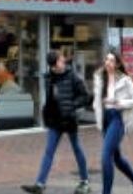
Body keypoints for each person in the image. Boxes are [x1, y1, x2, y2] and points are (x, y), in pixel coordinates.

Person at [22, 50, 91, 194]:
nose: (63, 62)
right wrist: (46, 113)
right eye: (60, 61)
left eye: (62, 60)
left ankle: (85, 181)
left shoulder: (73, 76)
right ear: (53, 66)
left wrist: (71, 106)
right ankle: (40, 184)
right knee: (49, 151)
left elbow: (85, 96)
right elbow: (51, 100)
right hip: (55, 121)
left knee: (77, 149)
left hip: (69, 119)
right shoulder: (49, 78)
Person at [92, 49, 133, 194]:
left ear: (116, 65)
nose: (108, 63)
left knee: (105, 156)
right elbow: (97, 100)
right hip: (105, 119)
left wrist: (121, 102)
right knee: (116, 157)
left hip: (118, 119)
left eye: (111, 60)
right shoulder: (99, 78)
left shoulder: (124, 80)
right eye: (106, 59)